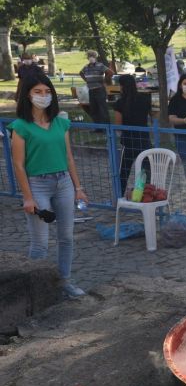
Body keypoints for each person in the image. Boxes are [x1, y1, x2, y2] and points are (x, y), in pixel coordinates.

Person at [7, 74, 89, 298]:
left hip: (63, 182)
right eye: (38, 92)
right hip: (37, 185)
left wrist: (78, 188)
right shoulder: (21, 126)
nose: (44, 96)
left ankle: (64, 281)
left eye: (47, 91)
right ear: (27, 95)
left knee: (67, 237)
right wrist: (28, 197)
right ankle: (33, 290)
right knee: (40, 243)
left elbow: (69, 158)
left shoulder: (61, 123)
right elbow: (18, 164)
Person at [114, 74, 153, 196]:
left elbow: (118, 124)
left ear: (122, 86)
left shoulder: (120, 103)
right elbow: (151, 116)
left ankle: (119, 196)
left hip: (128, 141)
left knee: (123, 171)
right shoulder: (145, 99)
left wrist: (119, 134)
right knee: (145, 171)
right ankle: (144, 195)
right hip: (144, 139)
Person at [79, 50, 113, 124]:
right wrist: (87, 80)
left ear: (95, 57)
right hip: (91, 90)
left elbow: (110, 73)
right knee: (94, 109)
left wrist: (104, 81)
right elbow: (80, 73)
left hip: (100, 89)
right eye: (89, 56)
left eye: (92, 56)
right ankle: (98, 127)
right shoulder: (86, 67)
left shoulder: (100, 65)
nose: (91, 57)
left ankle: (107, 126)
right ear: (87, 57)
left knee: (102, 109)